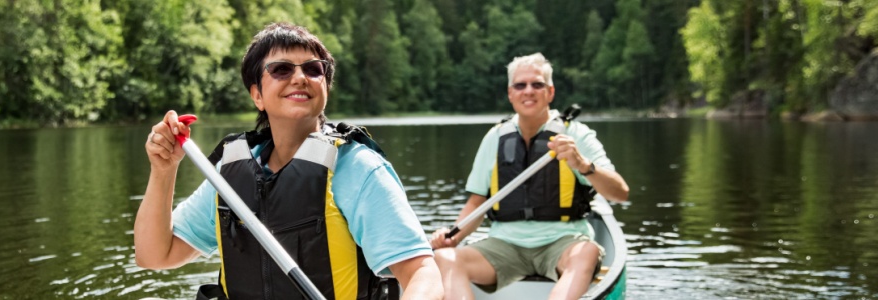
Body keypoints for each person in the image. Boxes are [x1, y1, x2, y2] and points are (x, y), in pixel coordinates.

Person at [134, 22, 443, 300]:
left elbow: (422, 274)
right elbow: (155, 255)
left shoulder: (358, 168)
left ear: (325, 87)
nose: (300, 77)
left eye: (313, 69)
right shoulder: (228, 175)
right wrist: (164, 170)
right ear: (257, 95)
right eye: (281, 69)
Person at [429, 52, 630, 300]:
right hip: (505, 246)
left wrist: (582, 164)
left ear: (550, 92)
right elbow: (476, 203)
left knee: (586, 252)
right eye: (520, 85)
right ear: (510, 93)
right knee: (445, 258)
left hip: (563, 242)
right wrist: (452, 236)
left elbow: (619, 192)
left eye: (537, 84)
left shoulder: (577, 134)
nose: (528, 91)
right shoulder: (495, 138)